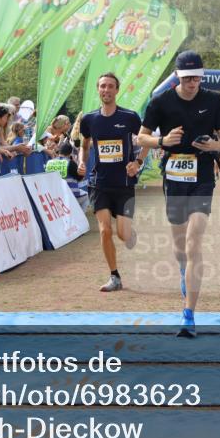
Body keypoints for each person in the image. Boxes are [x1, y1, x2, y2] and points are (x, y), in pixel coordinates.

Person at [137, 51, 220, 338]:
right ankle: (182, 269)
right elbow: (141, 137)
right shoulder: (161, 102)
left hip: (202, 176)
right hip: (174, 178)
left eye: (197, 78)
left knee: (194, 242)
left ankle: (188, 314)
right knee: (180, 246)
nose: (192, 83)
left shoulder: (213, 101)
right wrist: (162, 141)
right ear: (177, 76)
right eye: (187, 78)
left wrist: (212, 146)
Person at [79, 72, 146, 293]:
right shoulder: (89, 119)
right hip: (99, 183)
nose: (106, 90)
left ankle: (129, 233)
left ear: (117, 90)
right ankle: (114, 276)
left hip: (124, 183)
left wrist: (137, 162)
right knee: (104, 230)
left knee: (122, 234)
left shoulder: (129, 117)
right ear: (98, 90)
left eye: (110, 86)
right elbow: (84, 144)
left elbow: (146, 140)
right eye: (102, 86)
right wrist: (81, 162)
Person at [46, 139, 88, 205]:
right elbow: (80, 178)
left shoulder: (49, 162)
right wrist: (75, 161)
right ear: (70, 153)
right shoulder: (70, 163)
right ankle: (80, 214)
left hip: (54, 195)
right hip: (71, 195)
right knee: (87, 196)